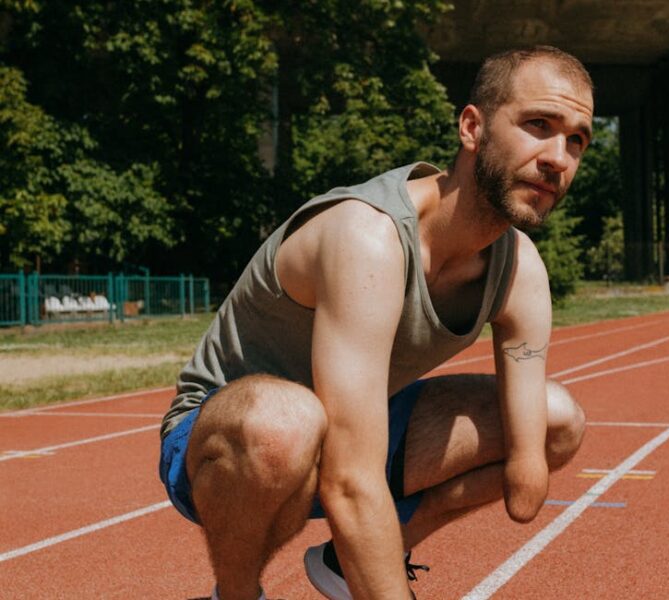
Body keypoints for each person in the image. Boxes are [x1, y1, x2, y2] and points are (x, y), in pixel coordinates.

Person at [159, 45, 593, 600]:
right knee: (286, 423)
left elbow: (526, 488)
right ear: (472, 128)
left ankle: (348, 564)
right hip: (225, 445)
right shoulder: (369, 236)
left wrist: (526, 466)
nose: (558, 158)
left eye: (576, 140)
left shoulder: (521, 271)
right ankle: (236, 594)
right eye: (538, 126)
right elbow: (349, 478)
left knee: (558, 419)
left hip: (358, 427)